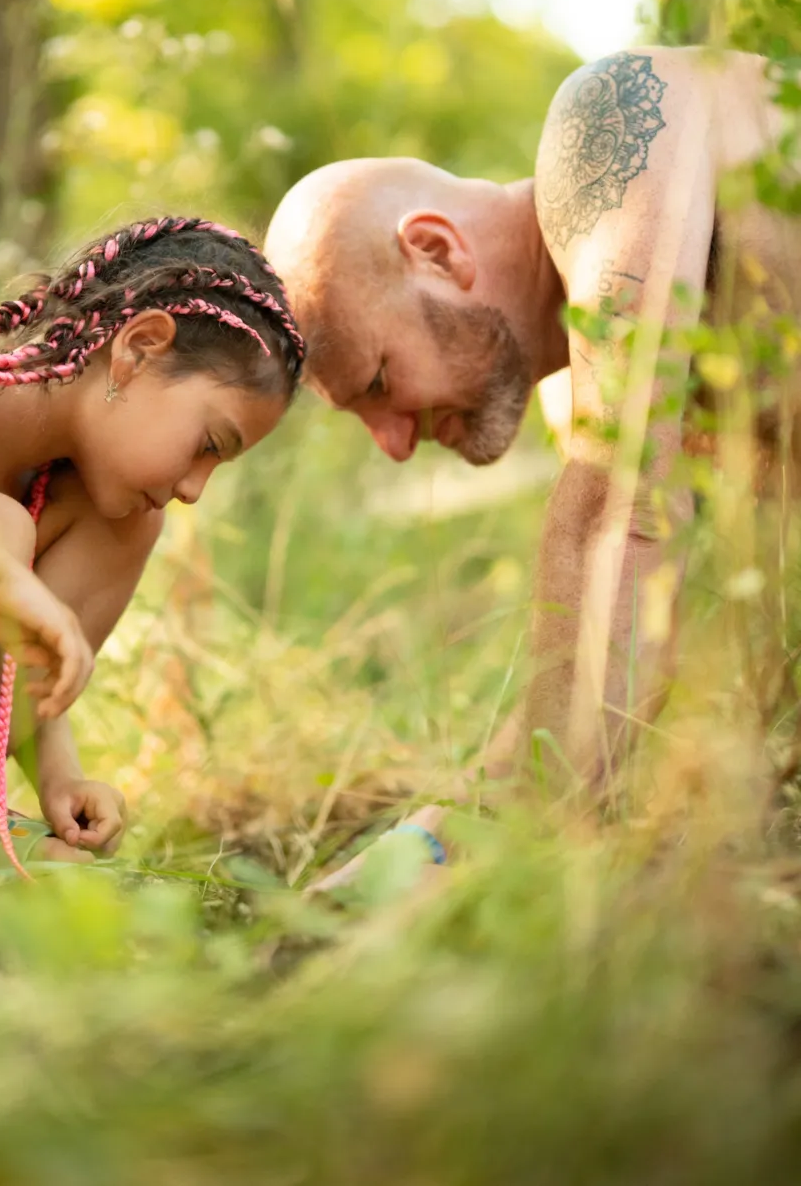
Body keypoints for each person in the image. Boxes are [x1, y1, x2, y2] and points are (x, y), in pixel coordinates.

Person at [265, 45, 800, 880]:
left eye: (378, 382)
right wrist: (436, 839)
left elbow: (625, 507)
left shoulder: (608, 121)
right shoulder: (577, 394)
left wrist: (507, 846)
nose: (397, 443)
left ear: (437, 252)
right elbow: (608, 667)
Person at [0, 215, 304, 939]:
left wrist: (55, 767)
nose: (196, 487)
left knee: (118, 517)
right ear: (137, 348)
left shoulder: (64, 478)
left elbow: (2, 634)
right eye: (207, 444)